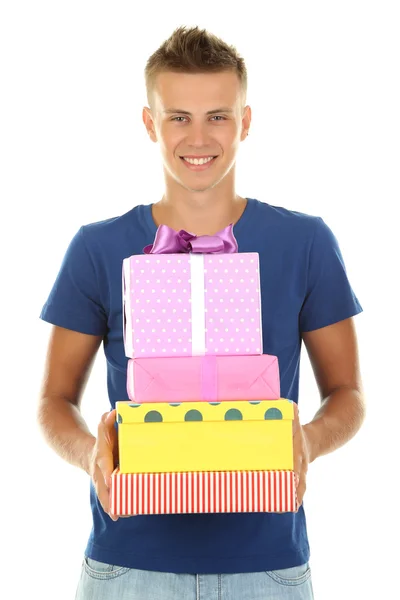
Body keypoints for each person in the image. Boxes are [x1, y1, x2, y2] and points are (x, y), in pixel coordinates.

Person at [38, 25, 365, 600]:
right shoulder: (97, 248)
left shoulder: (305, 242)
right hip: (127, 563)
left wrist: (308, 441)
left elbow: (348, 394)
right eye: (178, 116)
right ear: (149, 123)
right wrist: (91, 453)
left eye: (217, 115)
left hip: (268, 566)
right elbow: (53, 400)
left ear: (244, 122)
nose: (198, 136)